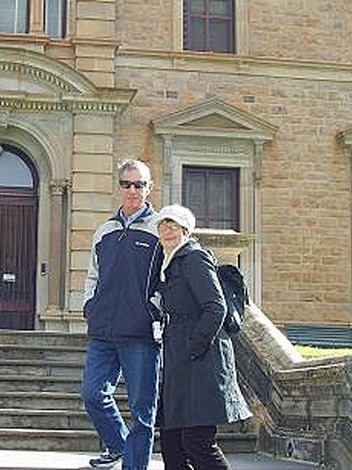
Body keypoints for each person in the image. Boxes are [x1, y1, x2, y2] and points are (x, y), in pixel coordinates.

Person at [154, 204, 252, 470]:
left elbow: (215, 307)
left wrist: (193, 347)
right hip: (179, 360)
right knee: (172, 441)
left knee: (198, 441)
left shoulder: (194, 258)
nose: (167, 230)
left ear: (186, 230)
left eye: (173, 226)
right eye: (163, 225)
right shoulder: (169, 262)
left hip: (202, 360)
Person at [81, 158, 163, 469]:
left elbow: (168, 277)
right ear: (119, 187)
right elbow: (93, 275)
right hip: (103, 330)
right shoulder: (105, 231)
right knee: (92, 395)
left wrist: (153, 310)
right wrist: (90, 306)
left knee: (142, 410)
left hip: (140, 333)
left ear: (149, 187)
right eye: (126, 184)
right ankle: (118, 446)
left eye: (138, 184)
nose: (132, 190)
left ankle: (134, 465)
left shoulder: (160, 229)